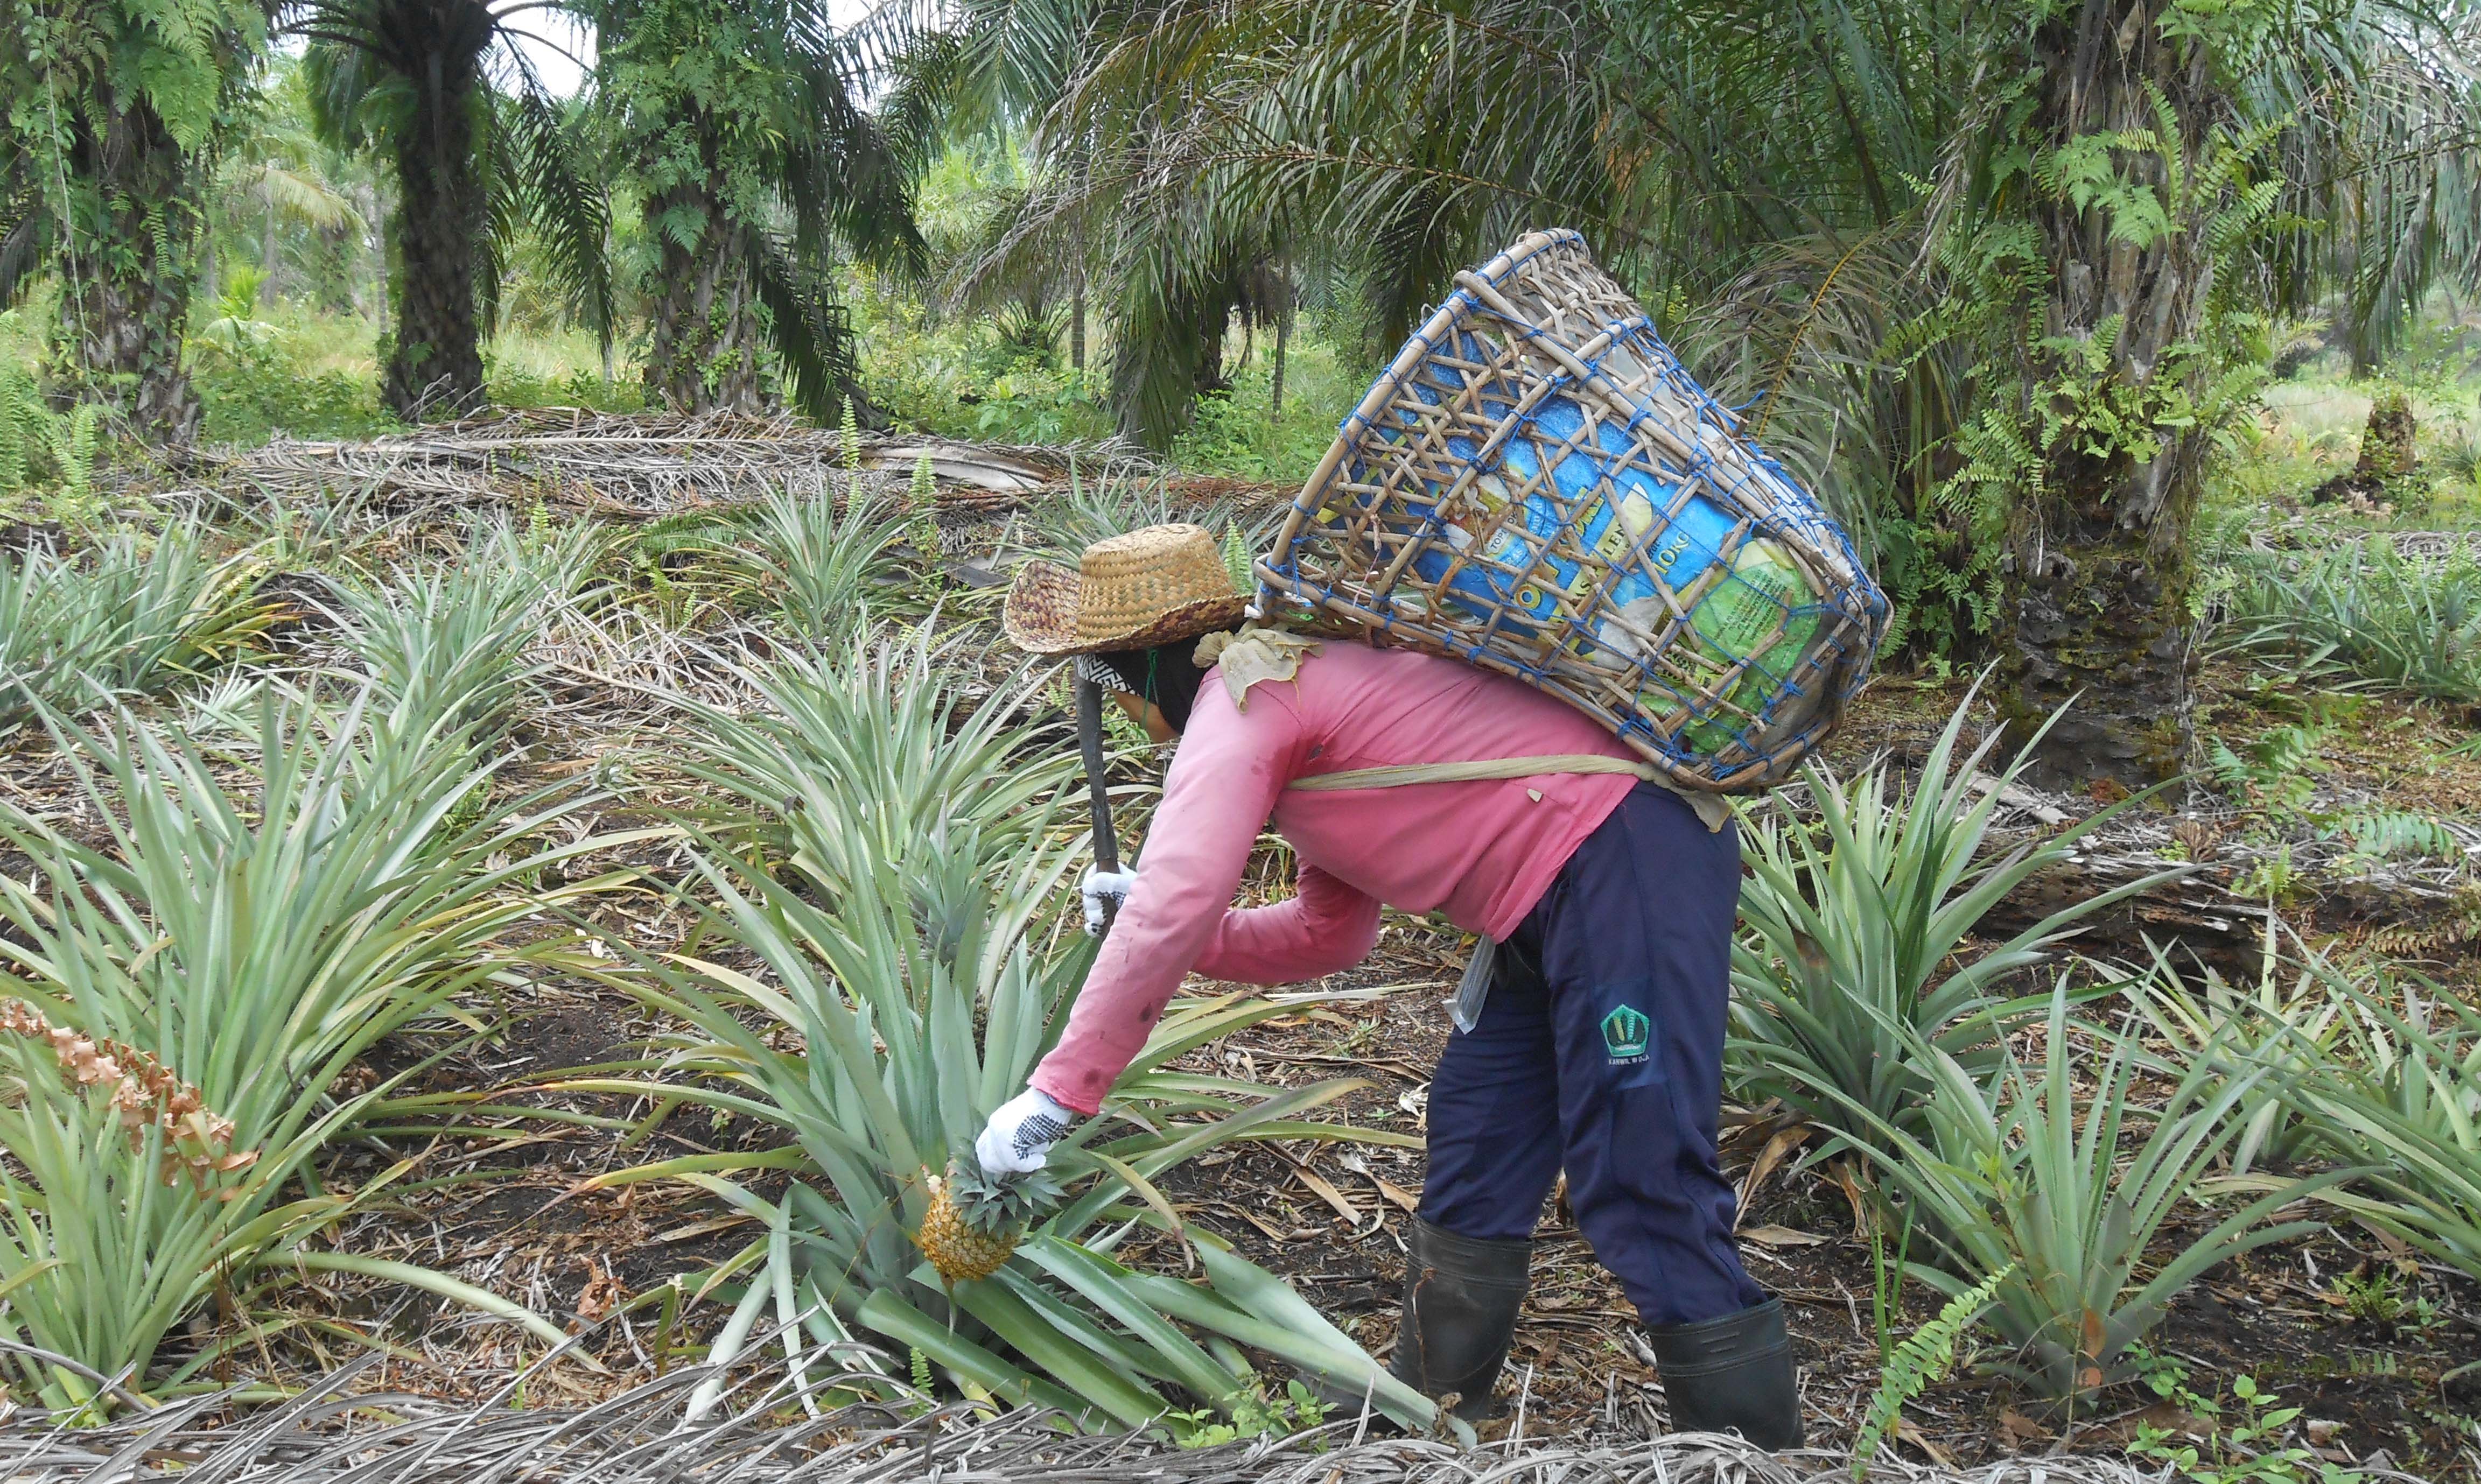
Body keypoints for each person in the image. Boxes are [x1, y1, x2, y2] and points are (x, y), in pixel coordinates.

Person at [976, 523, 1801, 1445]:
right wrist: (1177, 928)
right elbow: (1331, 933)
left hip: (1623, 859)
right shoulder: (1295, 680)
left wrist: (1059, 1092)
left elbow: (1179, 895)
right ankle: (1428, 1415)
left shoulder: (1246, 698)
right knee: (1479, 1129)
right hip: (1548, 900)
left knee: (1638, 1161)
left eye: (1107, 682)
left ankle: (1750, 1452)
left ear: (1135, 666)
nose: (1119, 709)